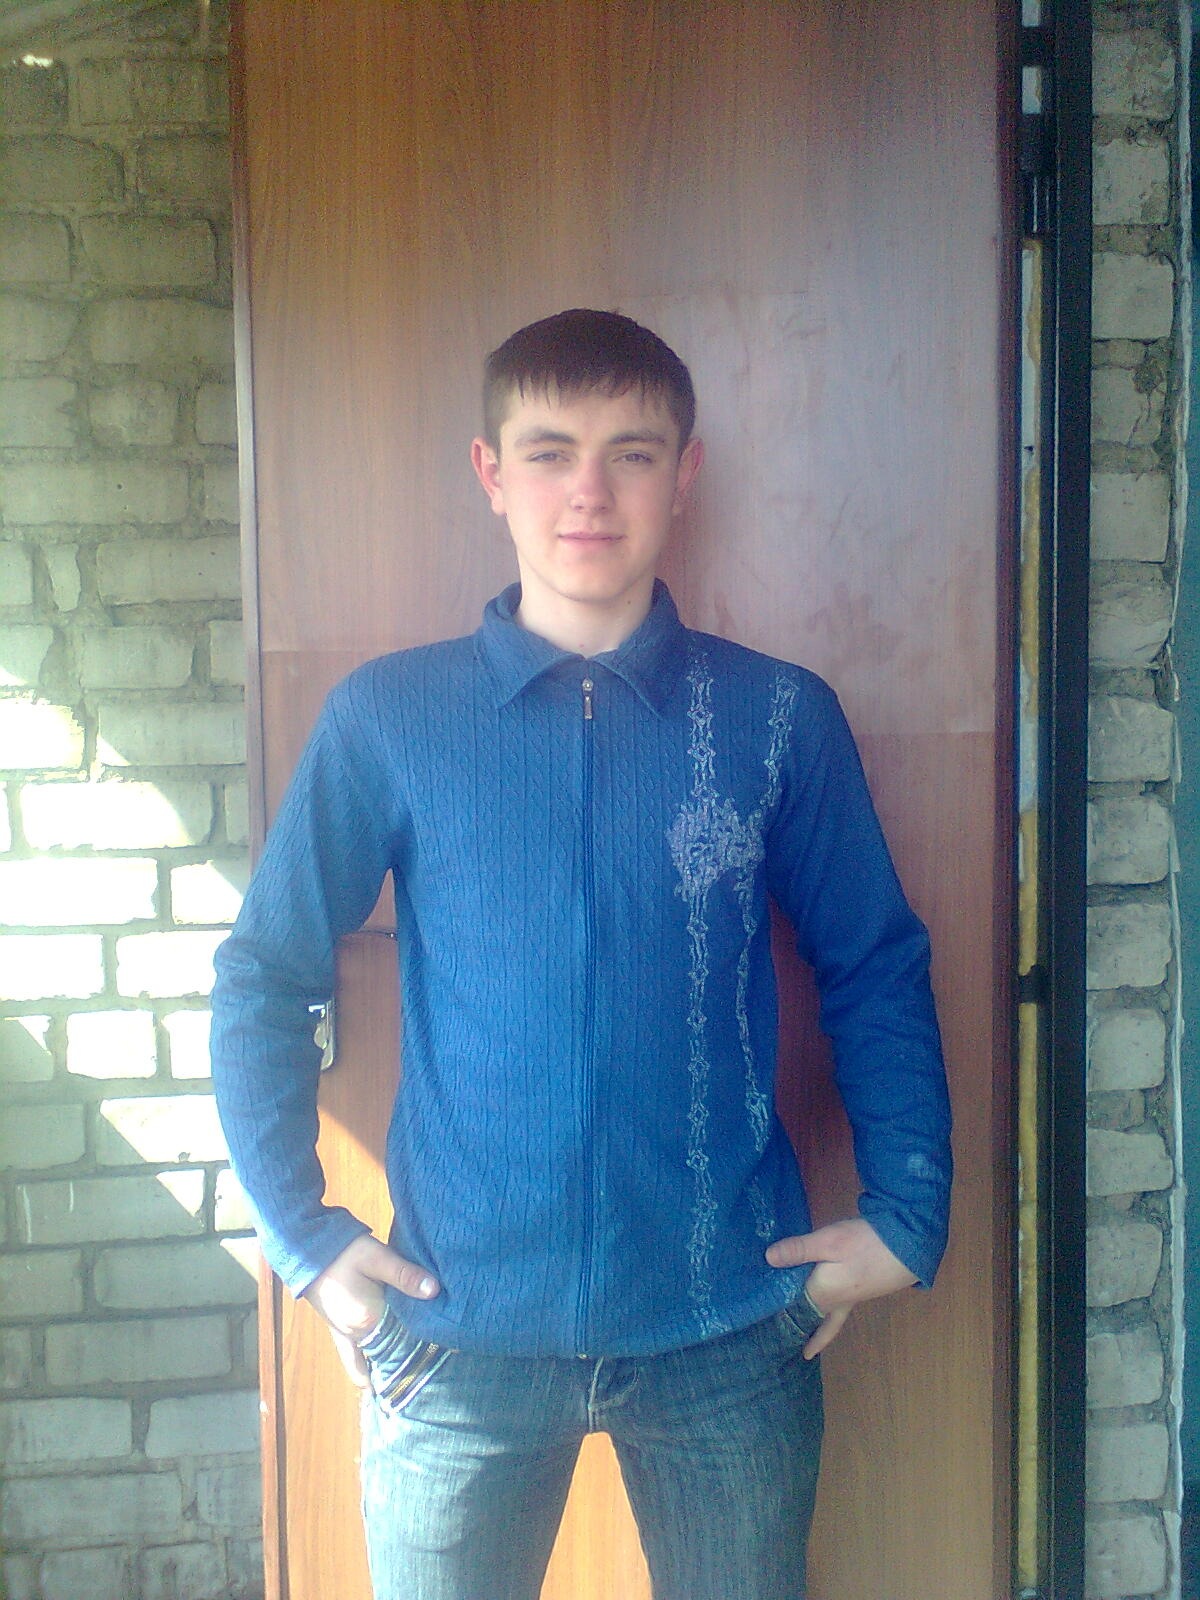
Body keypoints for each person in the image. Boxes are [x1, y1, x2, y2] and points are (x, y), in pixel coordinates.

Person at [210, 307, 952, 1600]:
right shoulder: (391, 716)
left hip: (726, 1327)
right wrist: (303, 1237)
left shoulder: (779, 717)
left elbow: (875, 963)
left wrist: (910, 1207)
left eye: (633, 454)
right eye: (549, 452)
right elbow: (265, 973)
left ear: (686, 473)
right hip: (456, 1333)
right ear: (491, 474)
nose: (590, 493)